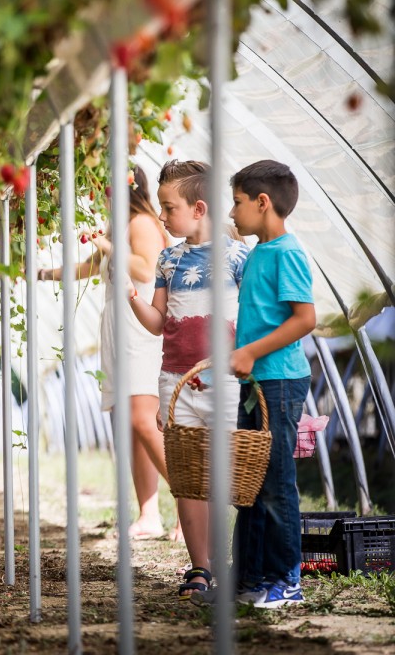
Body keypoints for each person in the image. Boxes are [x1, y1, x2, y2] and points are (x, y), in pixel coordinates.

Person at [127, 160, 249, 598]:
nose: (162, 216)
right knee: (188, 476)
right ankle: (200, 568)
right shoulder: (169, 258)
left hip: (226, 382)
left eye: (168, 207)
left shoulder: (238, 257)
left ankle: (225, 560)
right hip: (176, 382)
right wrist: (134, 301)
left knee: (223, 471)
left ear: (198, 208)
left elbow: (251, 322)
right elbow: (159, 322)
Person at [38, 165, 174, 540]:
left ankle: (189, 501)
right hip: (120, 330)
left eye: (102, 188)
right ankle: (150, 513)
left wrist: (106, 244)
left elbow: (146, 271)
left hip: (140, 330)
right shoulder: (119, 228)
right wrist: (43, 274)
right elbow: (88, 267)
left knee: (144, 418)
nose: (98, 196)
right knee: (129, 423)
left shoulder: (143, 223)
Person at [227, 160, 316, 608]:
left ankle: (288, 579)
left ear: (263, 203)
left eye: (238, 202)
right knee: (252, 482)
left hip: (280, 381)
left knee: (277, 483)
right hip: (258, 382)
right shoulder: (260, 252)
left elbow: (305, 319)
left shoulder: (288, 253)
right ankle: (250, 578)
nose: (231, 212)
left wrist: (251, 352)